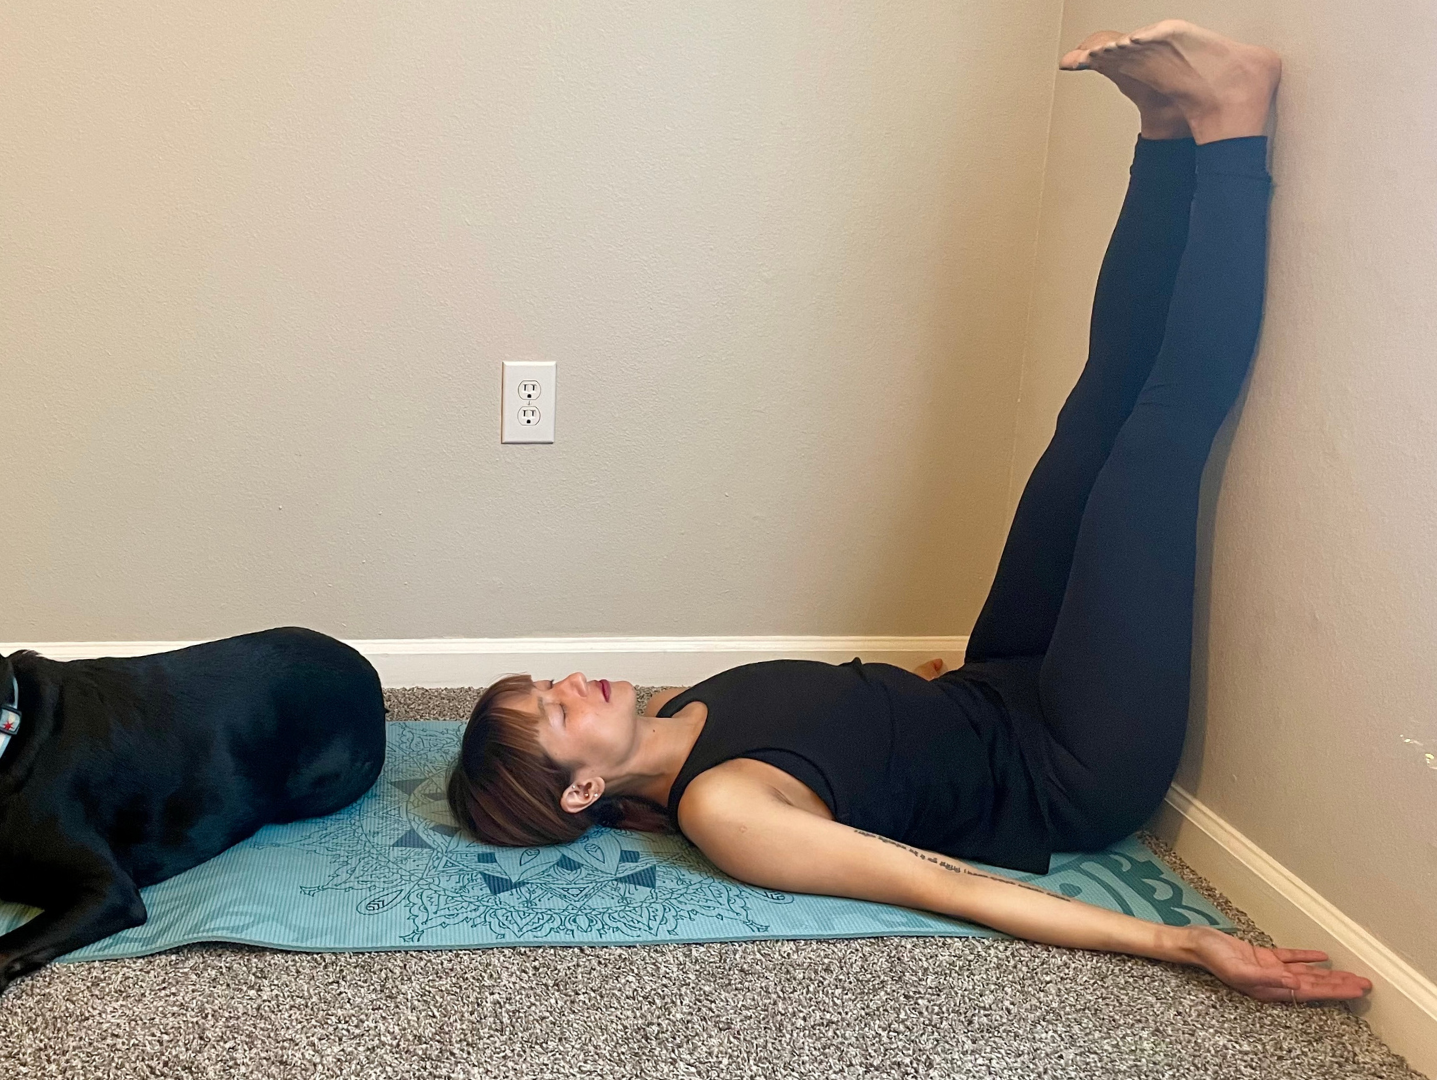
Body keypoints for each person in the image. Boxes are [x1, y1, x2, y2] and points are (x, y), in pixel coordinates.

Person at [447, 20, 1372, 1004]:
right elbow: (950, 887)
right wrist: (1184, 947)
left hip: (999, 685)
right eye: (552, 710)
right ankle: (1233, 122)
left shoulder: (678, 710)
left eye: (546, 680)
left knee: (1092, 417)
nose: (572, 683)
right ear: (581, 789)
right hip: (1070, 765)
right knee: (1159, 438)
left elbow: (856, 726)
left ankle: (1165, 133)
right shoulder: (724, 809)